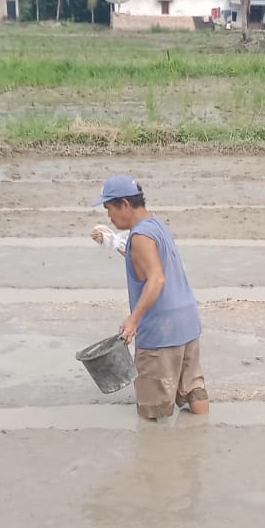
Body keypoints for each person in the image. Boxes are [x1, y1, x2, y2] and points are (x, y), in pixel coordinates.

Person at [93, 175, 208, 420]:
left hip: (161, 331)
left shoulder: (141, 236)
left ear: (124, 204)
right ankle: (201, 438)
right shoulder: (156, 225)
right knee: (193, 390)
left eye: (109, 209)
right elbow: (147, 261)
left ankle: (155, 456)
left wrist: (133, 320)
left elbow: (156, 279)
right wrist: (112, 242)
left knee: (151, 410)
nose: (109, 218)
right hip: (186, 322)